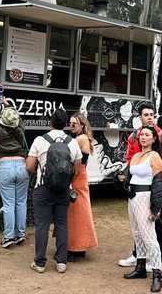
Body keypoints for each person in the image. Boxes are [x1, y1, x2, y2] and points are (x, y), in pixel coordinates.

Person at [118, 102, 162, 270]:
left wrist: (161, 184)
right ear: (140, 117)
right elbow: (130, 160)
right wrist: (127, 179)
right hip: (138, 189)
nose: (150, 117)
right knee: (138, 224)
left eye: (152, 114)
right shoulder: (133, 137)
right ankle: (138, 256)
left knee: (157, 221)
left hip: (156, 187)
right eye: (146, 115)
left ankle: (160, 259)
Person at [26, 109, 82, 274]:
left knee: (42, 225)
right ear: (66, 124)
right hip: (64, 190)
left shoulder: (39, 140)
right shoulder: (72, 142)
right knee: (62, 224)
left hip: (43, 188)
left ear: (50, 122)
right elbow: (77, 170)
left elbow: (29, 166)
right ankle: (61, 262)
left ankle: (40, 263)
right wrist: (66, 182)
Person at [120, 126, 162, 292]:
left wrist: (156, 207)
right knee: (137, 233)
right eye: (141, 135)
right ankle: (140, 268)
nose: (143, 137)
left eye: (147, 135)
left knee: (149, 236)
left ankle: (157, 273)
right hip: (132, 198)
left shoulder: (155, 157)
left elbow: (159, 185)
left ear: (154, 139)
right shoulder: (136, 156)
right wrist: (122, 179)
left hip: (145, 198)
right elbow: (129, 178)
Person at [0, 96, 29, 248]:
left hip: (5, 167)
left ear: (2, 121)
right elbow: (17, 119)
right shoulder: (21, 130)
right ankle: (20, 235)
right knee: (21, 203)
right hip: (22, 166)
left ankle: (8, 237)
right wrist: (9, 105)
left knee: (8, 204)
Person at [67, 112, 98, 261]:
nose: (71, 126)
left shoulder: (81, 139)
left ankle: (77, 247)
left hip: (77, 177)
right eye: (70, 123)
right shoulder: (81, 138)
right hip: (78, 176)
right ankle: (78, 246)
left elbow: (80, 163)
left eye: (74, 124)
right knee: (78, 212)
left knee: (78, 213)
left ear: (82, 125)